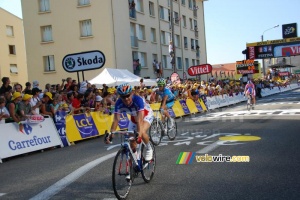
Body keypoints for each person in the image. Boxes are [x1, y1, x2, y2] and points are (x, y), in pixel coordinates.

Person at [104, 83, 154, 162]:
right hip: (134, 118)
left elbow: (140, 120)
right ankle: (137, 159)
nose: (126, 98)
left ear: (132, 94)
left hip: (146, 115)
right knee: (132, 143)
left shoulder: (138, 100)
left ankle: (149, 148)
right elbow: (116, 120)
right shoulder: (118, 103)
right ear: (120, 96)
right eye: (123, 97)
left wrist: (139, 135)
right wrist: (111, 134)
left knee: (142, 132)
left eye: (128, 96)